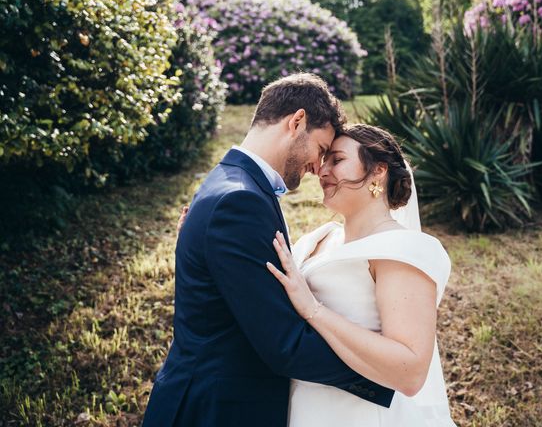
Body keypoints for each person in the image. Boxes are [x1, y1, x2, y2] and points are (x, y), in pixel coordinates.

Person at [142, 73, 394, 427]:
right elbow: (283, 345)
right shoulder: (240, 200)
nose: (317, 169)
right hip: (214, 410)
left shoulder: (232, 182)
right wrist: (386, 374)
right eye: (321, 150)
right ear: (297, 121)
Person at [265, 124, 456, 426]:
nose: (322, 170)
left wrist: (314, 311)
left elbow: (410, 371)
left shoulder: (401, 250)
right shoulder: (319, 239)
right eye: (324, 159)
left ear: (378, 171)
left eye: (337, 160)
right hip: (308, 409)